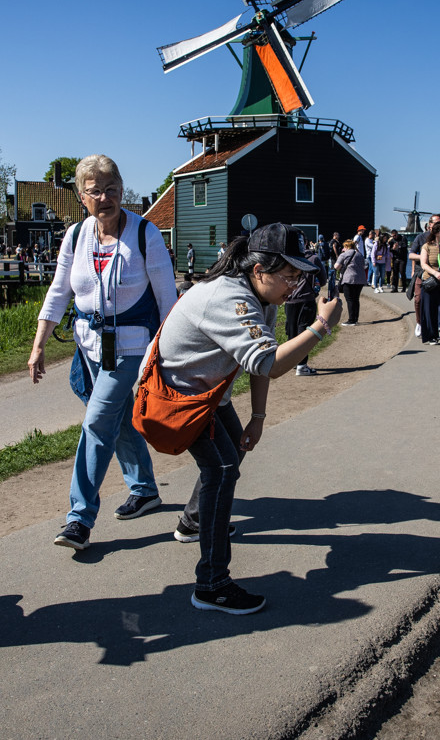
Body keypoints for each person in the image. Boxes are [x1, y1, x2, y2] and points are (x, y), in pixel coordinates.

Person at [156, 224, 342, 613]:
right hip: (179, 397)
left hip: (207, 391)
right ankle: (211, 584)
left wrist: (258, 416)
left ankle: (193, 523)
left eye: (299, 276)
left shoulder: (262, 295)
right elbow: (269, 364)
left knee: (233, 454)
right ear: (259, 270)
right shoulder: (230, 298)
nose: (295, 285)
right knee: (222, 469)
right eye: (290, 276)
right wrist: (321, 326)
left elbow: (261, 359)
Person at [29, 154, 178, 551]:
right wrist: (39, 343)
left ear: (122, 190)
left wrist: (170, 353)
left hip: (132, 346)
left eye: (112, 189)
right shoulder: (76, 236)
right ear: (82, 196)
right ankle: (144, 488)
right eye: (95, 191)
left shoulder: (145, 234)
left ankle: (79, 518)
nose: (105, 197)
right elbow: (59, 291)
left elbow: (168, 300)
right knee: (118, 417)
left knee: (97, 423)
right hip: (88, 346)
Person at [285, 242, 327, 375]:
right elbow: (323, 279)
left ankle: (291, 361)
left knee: (291, 331)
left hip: (289, 299)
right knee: (304, 331)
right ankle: (302, 365)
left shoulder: (288, 258)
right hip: (306, 299)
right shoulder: (314, 259)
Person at [418, 221, 440, 347]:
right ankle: (432, 336)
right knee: (430, 310)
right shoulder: (427, 246)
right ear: (436, 233)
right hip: (430, 282)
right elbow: (423, 264)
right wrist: (435, 273)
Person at [409, 214, 440, 338]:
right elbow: (411, 255)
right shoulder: (421, 237)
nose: (439, 225)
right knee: (418, 299)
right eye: (436, 223)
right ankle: (419, 322)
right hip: (422, 271)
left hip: (439, 272)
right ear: (430, 225)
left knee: (439, 300)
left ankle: (435, 323)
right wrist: (423, 257)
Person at [334, 238, 368, 325]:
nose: (343, 249)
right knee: (356, 299)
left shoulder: (344, 255)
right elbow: (364, 266)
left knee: (350, 299)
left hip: (348, 279)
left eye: (344, 247)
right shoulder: (359, 254)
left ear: (346, 246)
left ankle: (351, 320)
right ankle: (355, 319)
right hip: (360, 279)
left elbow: (336, 266)